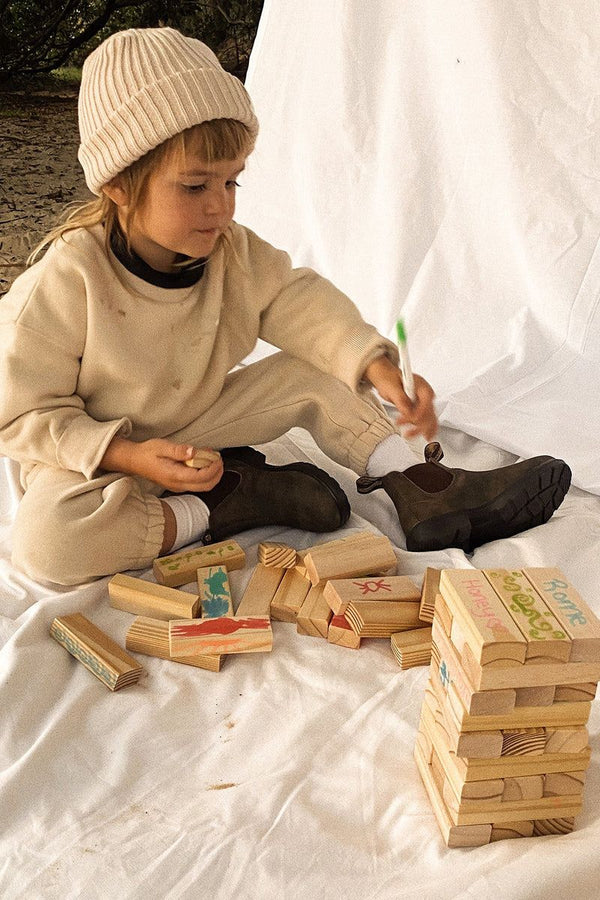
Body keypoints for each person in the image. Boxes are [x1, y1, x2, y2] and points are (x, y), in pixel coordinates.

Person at [0, 27, 570, 586]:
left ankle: (428, 488)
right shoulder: (65, 282)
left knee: (319, 371)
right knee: (45, 542)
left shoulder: (232, 253)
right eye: (196, 186)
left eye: (233, 183)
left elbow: (298, 303)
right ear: (119, 185)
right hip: (103, 454)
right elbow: (22, 416)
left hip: (200, 422)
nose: (220, 208)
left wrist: (377, 368)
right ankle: (222, 505)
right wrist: (128, 456)